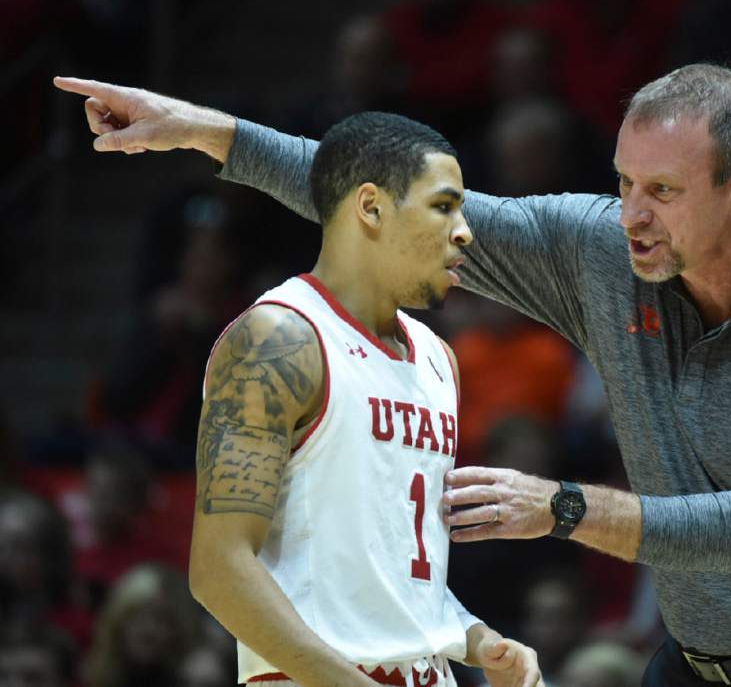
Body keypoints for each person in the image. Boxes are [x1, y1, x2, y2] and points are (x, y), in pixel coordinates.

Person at [54, 62, 731, 686]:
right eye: (623, 182)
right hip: (695, 660)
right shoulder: (608, 251)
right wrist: (203, 132)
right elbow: (398, 204)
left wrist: (559, 508)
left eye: (662, 193)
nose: (631, 215)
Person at [53, 84, 544, 687]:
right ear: (371, 208)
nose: (466, 231)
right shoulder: (277, 341)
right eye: (445, 206)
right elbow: (218, 571)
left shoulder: (440, 359)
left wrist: (475, 638)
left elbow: (390, 573)